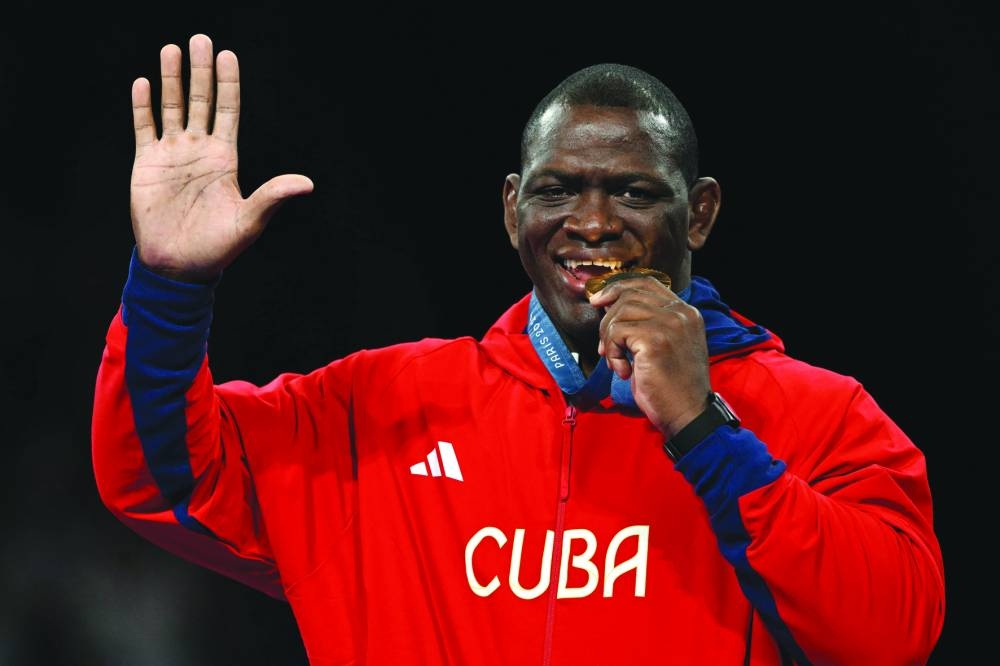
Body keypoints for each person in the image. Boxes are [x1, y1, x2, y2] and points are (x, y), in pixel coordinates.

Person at [91, 33, 945, 665]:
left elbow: (888, 635)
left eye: (635, 192)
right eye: (558, 190)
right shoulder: (382, 409)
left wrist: (704, 430)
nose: (595, 223)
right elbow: (166, 480)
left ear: (703, 213)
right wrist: (169, 286)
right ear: (512, 210)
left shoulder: (818, 416)